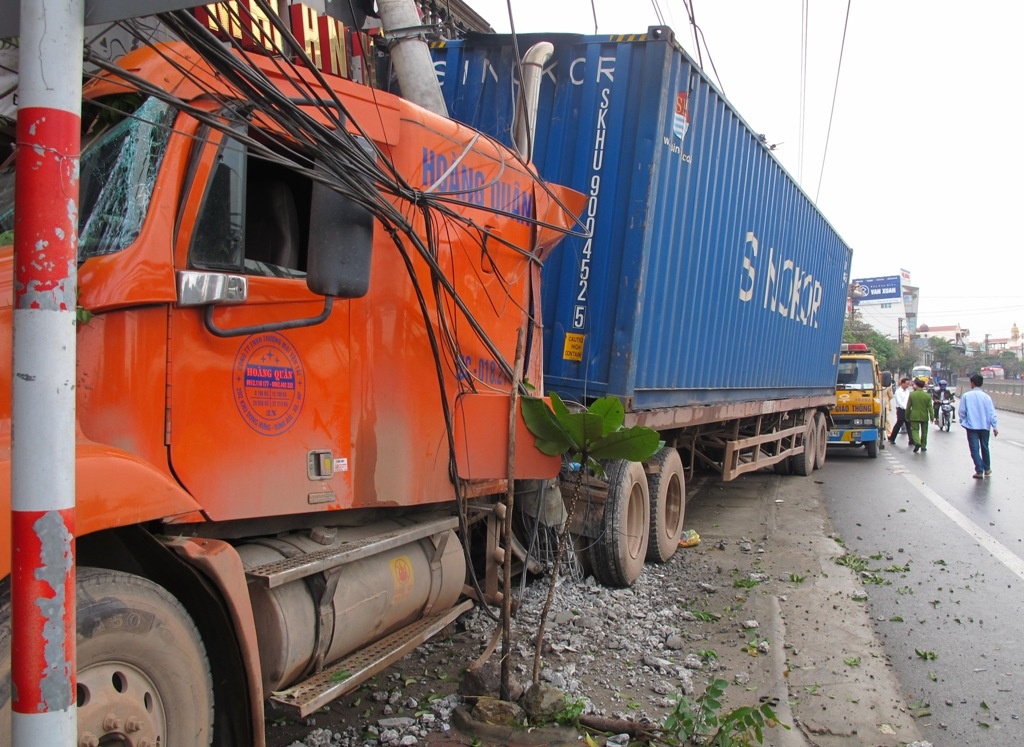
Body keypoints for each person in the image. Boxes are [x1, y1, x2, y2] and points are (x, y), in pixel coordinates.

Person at [958, 373, 999, 478]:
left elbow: (962, 412)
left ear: (972, 383)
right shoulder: (987, 397)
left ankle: (979, 470)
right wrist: (994, 426)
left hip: (972, 427)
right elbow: (992, 413)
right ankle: (987, 468)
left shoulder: (966, 396)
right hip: (985, 426)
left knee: (974, 449)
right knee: (985, 447)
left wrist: (963, 421)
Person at [906, 378, 934, 453]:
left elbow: (908, 407)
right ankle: (923, 446)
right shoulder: (927, 396)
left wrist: (907, 416)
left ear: (916, 386)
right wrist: (932, 417)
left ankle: (917, 442)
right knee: (924, 431)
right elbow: (930, 407)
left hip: (914, 416)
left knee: (914, 430)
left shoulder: (912, 394)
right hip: (924, 416)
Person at [889, 377, 912, 443]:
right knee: (899, 424)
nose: (908, 385)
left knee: (909, 425)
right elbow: (899, 401)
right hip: (901, 410)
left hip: (907, 410)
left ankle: (911, 440)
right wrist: (905, 407)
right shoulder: (898, 392)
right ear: (902, 383)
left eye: (908, 384)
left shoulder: (907, 391)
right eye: (907, 384)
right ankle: (892, 438)